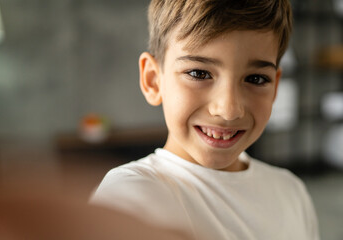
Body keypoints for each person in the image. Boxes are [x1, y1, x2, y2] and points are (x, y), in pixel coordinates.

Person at [91, 0, 320, 239]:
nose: (229, 110)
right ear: (153, 80)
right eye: (199, 73)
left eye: (256, 79)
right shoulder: (129, 196)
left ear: (275, 89)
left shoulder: (292, 193)